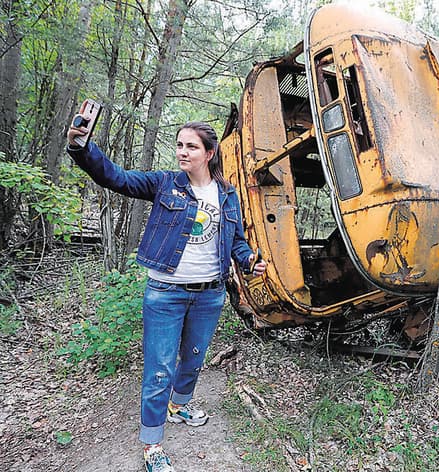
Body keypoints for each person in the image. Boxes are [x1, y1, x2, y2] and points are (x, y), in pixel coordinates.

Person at [66, 116, 266, 472]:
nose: (182, 152)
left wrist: (249, 259)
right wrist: (83, 147)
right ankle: (152, 444)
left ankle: (180, 404)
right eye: (179, 145)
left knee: (192, 358)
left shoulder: (227, 194)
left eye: (191, 146)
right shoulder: (164, 184)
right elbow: (117, 178)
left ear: (210, 153)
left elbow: (235, 241)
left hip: (210, 294)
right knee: (159, 370)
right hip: (165, 293)